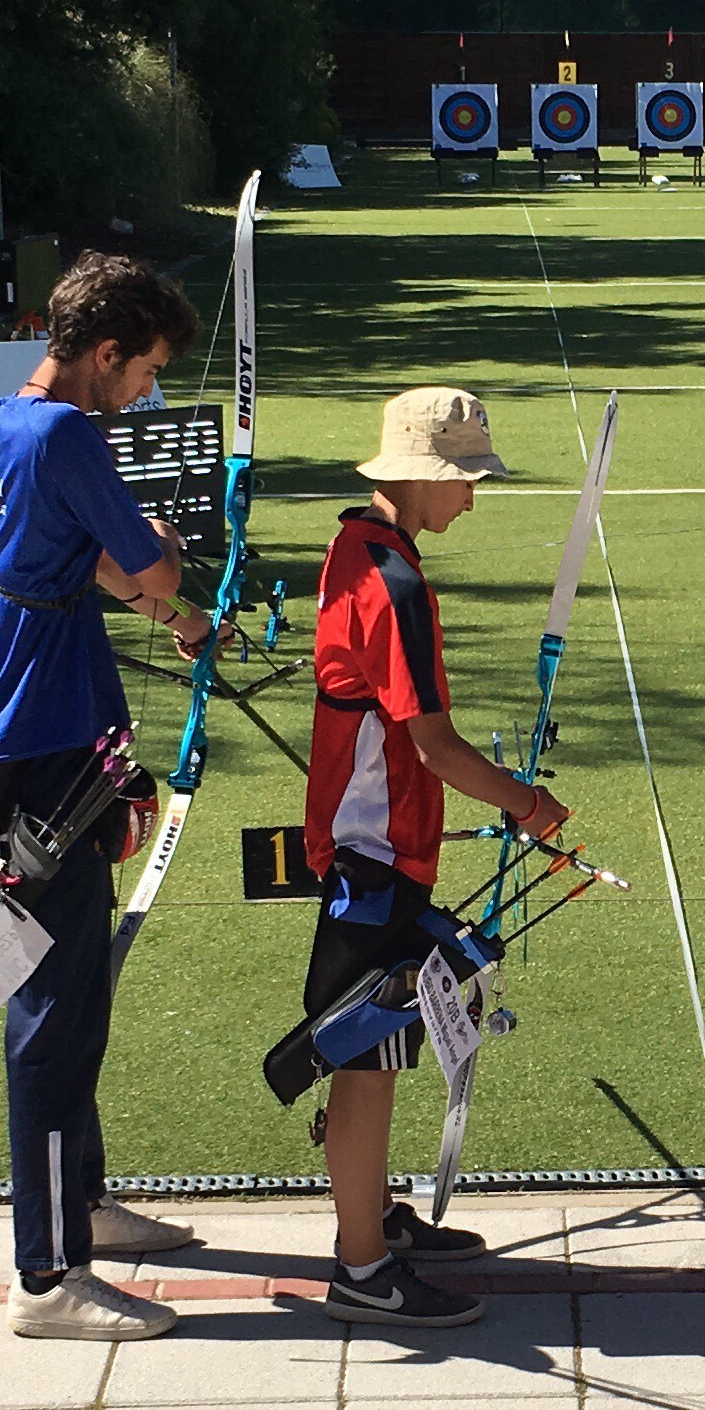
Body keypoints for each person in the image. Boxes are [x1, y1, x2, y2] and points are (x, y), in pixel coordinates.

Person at [0, 254, 219, 1342]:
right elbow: (142, 564)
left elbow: (89, 564)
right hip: (44, 753)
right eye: (145, 371)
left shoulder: (4, 421)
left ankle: (84, 1204)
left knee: (75, 997)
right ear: (103, 351)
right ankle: (46, 1274)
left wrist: (177, 615)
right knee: (53, 1019)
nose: (147, 393)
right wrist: (170, 568)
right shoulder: (69, 433)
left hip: (32, 734)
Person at [301, 388, 569, 1329]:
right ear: (418, 479)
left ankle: (374, 1220)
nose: (473, 499)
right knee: (363, 1054)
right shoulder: (395, 584)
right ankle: (362, 1268)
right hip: (375, 846)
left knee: (383, 1038)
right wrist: (527, 805)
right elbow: (434, 745)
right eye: (464, 481)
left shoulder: (359, 547)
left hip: (376, 839)